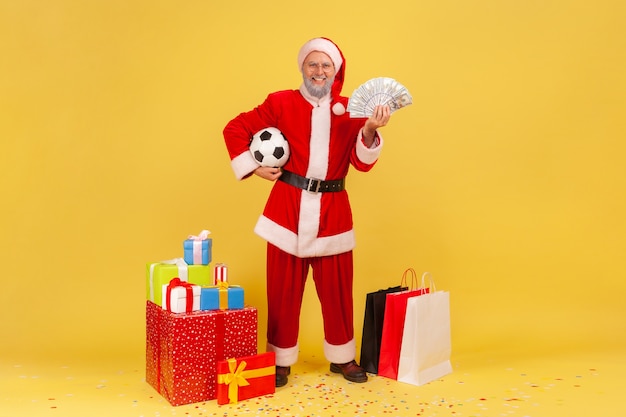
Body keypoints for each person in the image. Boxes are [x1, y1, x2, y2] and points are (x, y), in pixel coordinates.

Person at [223, 37, 391, 387]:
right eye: (312, 64)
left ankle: (343, 357)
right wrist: (254, 166)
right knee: (282, 288)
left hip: (333, 211)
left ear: (336, 71)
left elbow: (361, 163)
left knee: (338, 290)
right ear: (302, 67)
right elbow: (235, 128)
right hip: (286, 208)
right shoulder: (280, 102)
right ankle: (280, 358)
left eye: (325, 65)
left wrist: (371, 130)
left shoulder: (353, 110)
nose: (318, 71)